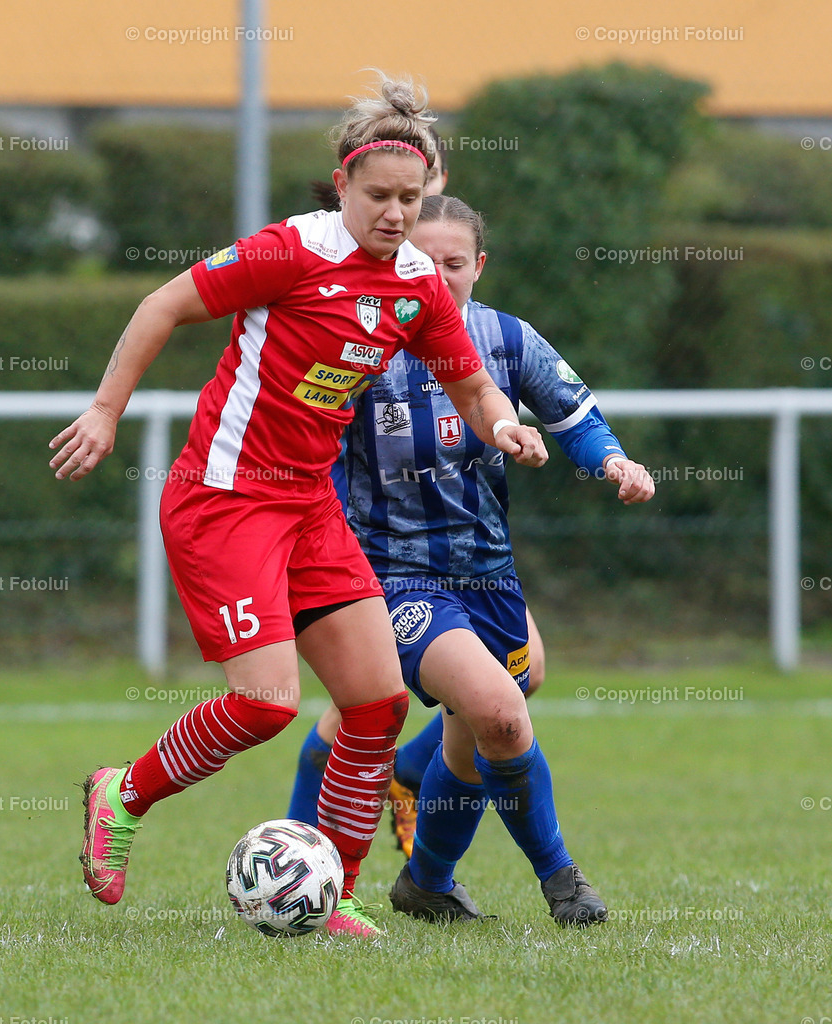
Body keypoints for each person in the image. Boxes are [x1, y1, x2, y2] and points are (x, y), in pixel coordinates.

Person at [47, 75, 549, 939]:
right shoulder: (290, 252)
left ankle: (335, 893)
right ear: (344, 185)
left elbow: (467, 380)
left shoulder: (420, 284)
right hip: (224, 499)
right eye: (379, 196)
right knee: (268, 704)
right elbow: (161, 303)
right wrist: (103, 410)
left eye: (411, 197)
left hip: (309, 505)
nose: (395, 213)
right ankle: (120, 793)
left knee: (375, 703)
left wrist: (503, 424)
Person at [292, 194, 655, 926]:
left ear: (477, 266)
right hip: (389, 577)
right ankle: (560, 879)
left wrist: (612, 461)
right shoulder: (360, 344)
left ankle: (424, 878)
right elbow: (311, 450)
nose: (439, 275)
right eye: (422, 262)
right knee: (497, 710)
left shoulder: (503, 338)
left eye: (454, 263)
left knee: (485, 709)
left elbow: (573, 414)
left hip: (487, 573)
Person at [288, 134, 548, 857]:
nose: (435, 272)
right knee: (367, 707)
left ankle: (401, 787)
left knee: (519, 676)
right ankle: (308, 860)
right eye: (388, 193)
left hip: (473, 563)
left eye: (452, 263)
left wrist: (524, 432)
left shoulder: (475, 326)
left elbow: (498, 395)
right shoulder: (349, 311)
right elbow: (317, 434)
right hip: (367, 552)